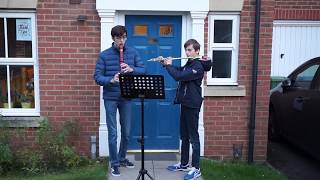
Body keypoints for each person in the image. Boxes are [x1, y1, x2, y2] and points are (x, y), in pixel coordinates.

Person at [94, 25, 145, 177]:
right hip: (110, 97)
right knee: (113, 133)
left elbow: (143, 69)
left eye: (123, 37)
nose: (121, 41)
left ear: (126, 37)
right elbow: (97, 77)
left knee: (127, 132)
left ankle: (122, 158)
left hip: (126, 97)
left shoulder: (133, 52)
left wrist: (132, 69)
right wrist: (111, 80)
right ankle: (114, 163)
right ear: (113, 39)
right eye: (118, 38)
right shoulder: (104, 55)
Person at [161, 39, 211, 180]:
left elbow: (179, 76)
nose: (187, 52)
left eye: (189, 50)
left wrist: (169, 66)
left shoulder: (198, 66)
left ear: (197, 51)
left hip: (193, 104)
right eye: (186, 50)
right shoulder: (190, 63)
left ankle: (196, 168)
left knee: (194, 137)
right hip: (185, 103)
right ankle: (184, 163)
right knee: (184, 135)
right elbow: (179, 70)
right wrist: (165, 64)